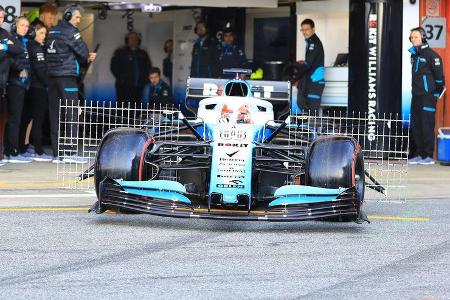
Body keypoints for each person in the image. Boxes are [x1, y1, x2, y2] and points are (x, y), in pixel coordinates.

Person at [46, 4, 96, 163]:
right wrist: (89, 57)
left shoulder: (53, 30)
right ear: (68, 16)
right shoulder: (70, 31)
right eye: (77, 17)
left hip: (51, 77)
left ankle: (56, 154)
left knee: (54, 114)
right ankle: (70, 153)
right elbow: (82, 53)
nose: (79, 20)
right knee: (71, 113)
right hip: (67, 77)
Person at [408, 27, 445, 165]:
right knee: (416, 126)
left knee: (426, 125)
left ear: (423, 37)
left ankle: (428, 156)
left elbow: (440, 79)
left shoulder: (432, 56)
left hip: (427, 97)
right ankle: (417, 154)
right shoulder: (414, 55)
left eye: (416, 36)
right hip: (416, 96)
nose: (413, 39)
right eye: (411, 37)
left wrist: (434, 95)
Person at [4, 16, 32, 163]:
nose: (25, 28)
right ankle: (12, 152)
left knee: (18, 118)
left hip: (23, 85)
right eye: (22, 25)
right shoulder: (12, 39)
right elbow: (8, 58)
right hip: (14, 84)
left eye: (27, 26)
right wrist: (20, 68)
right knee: (14, 119)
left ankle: (15, 149)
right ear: (15, 26)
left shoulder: (22, 41)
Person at [1, 6, 24, 163]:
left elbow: (18, 49)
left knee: (2, 122)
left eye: (2, 17)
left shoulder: (4, 33)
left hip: (2, 86)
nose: (1, 19)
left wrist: (4, 47)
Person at [27, 22, 52, 161]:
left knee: (33, 119)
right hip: (38, 88)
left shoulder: (37, 46)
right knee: (38, 119)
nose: (44, 36)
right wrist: (49, 84)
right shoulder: (35, 48)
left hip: (35, 87)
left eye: (45, 33)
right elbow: (40, 70)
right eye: (41, 33)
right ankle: (38, 150)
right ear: (34, 32)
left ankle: (29, 146)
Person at [110, 32, 152, 104]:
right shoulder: (120, 52)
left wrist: (145, 80)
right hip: (123, 87)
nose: (134, 40)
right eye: (131, 38)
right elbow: (114, 67)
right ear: (127, 40)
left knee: (136, 108)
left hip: (139, 87)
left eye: (136, 38)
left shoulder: (143, 53)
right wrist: (122, 79)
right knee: (123, 109)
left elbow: (148, 67)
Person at [296, 19, 325, 113]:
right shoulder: (310, 42)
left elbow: (308, 64)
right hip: (311, 82)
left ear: (313, 29)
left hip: (315, 82)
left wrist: (295, 77)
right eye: (302, 30)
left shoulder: (314, 43)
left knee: (311, 112)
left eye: (307, 29)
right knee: (305, 109)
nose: (304, 32)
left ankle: (312, 127)